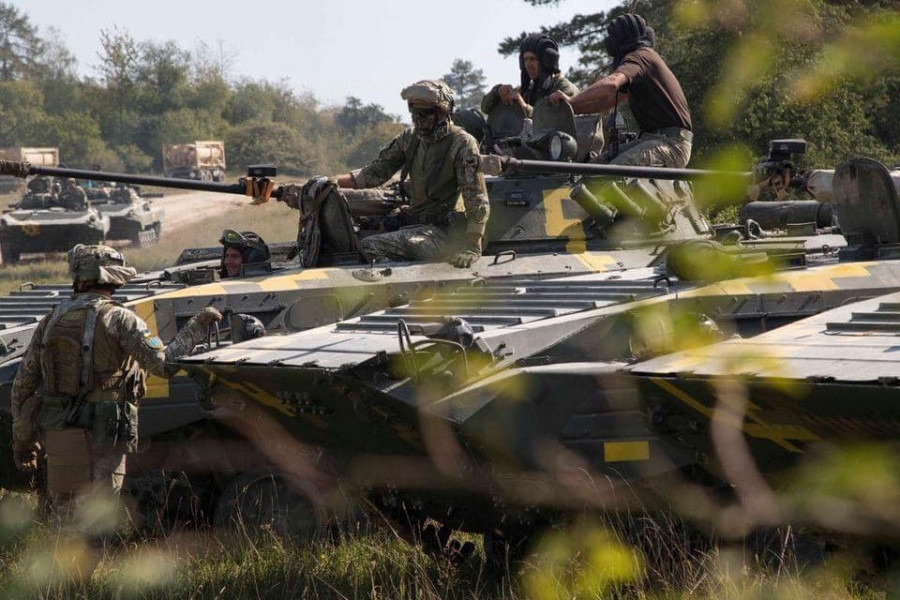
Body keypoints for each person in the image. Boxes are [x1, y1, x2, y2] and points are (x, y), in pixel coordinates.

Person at [10, 244, 222, 504]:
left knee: (64, 511)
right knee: (99, 514)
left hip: (60, 431)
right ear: (111, 277)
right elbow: (163, 366)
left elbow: (23, 384)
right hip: (104, 433)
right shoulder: (121, 319)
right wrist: (196, 327)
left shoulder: (51, 320)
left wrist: (22, 442)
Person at [333, 79, 489, 268]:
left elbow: (476, 197)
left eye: (423, 113)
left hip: (445, 234)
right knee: (351, 239)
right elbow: (376, 172)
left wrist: (473, 245)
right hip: (416, 226)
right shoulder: (410, 139)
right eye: (413, 113)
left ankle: (396, 286)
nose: (417, 119)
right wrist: (332, 182)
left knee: (370, 246)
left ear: (442, 112)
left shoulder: (461, 143)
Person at [548, 13, 693, 168]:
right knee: (593, 171)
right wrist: (572, 109)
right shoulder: (641, 59)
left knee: (613, 175)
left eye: (612, 37)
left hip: (672, 144)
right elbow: (607, 102)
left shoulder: (640, 56)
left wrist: (572, 100)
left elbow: (612, 84)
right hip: (652, 140)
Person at [482, 34, 578, 119]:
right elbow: (485, 108)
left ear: (546, 62)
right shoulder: (527, 90)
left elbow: (554, 121)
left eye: (533, 59)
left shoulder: (564, 89)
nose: (528, 65)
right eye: (525, 60)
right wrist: (497, 92)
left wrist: (524, 108)